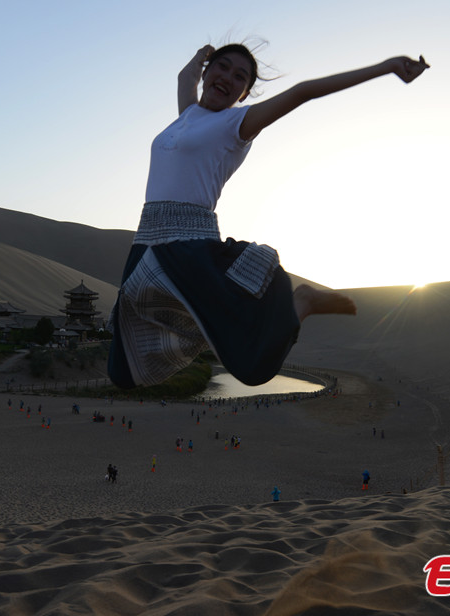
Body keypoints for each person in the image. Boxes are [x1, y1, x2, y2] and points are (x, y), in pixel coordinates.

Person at [108, 43, 428, 389]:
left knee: (252, 367)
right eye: (222, 67)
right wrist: (203, 53)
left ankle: (300, 303)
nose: (227, 77)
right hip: (145, 243)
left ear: (244, 93)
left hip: (189, 247)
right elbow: (184, 75)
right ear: (206, 72)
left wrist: (387, 66)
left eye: (239, 77)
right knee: (122, 370)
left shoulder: (236, 124)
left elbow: (303, 92)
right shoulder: (186, 115)